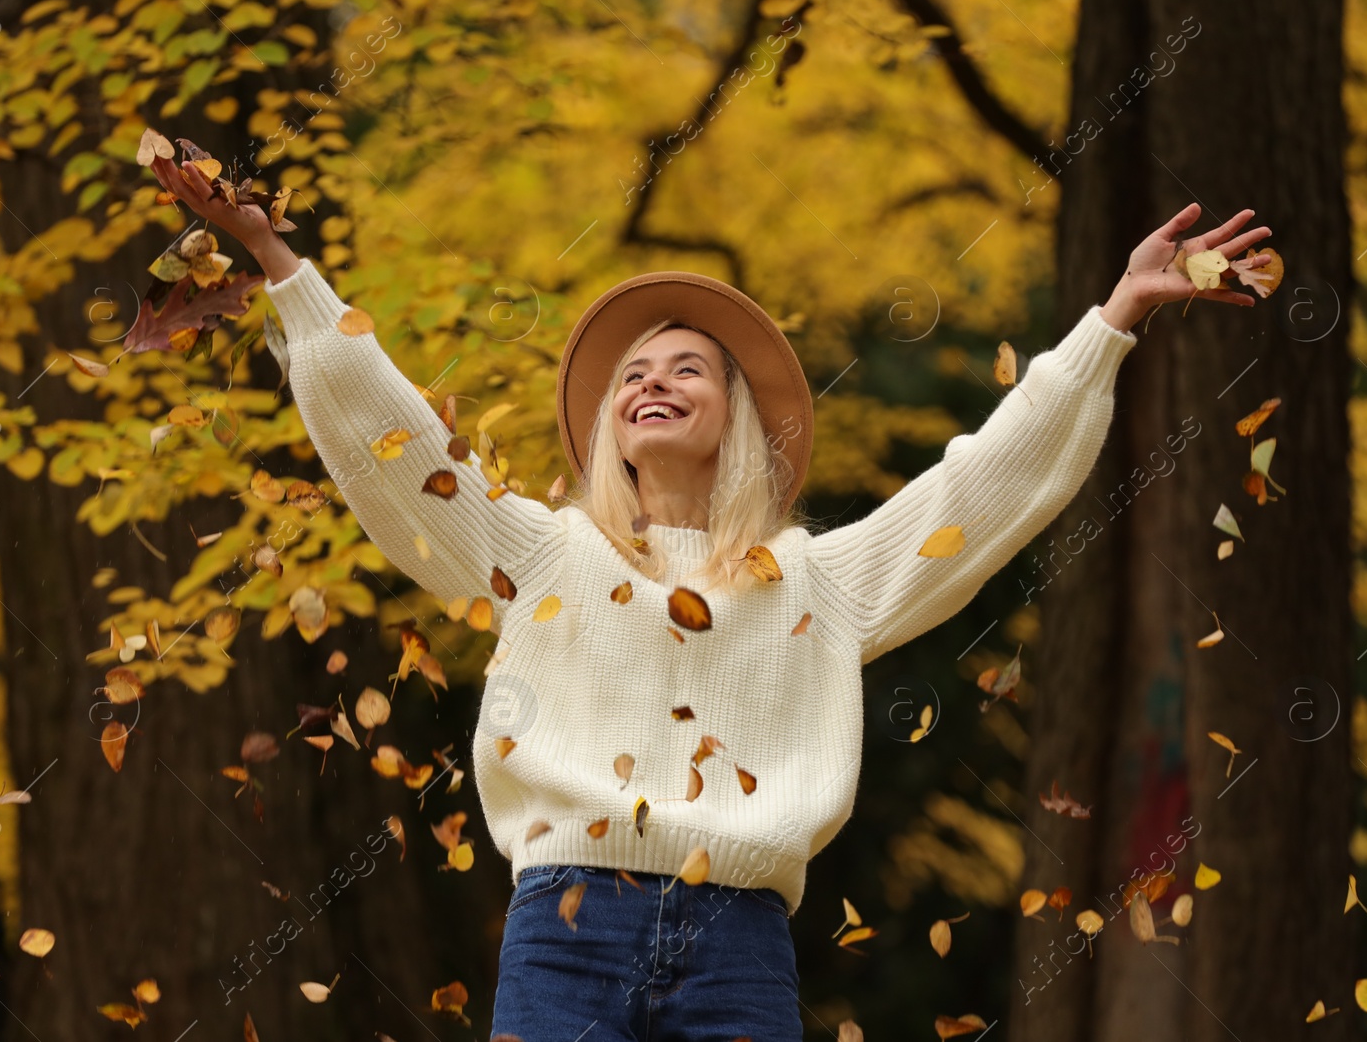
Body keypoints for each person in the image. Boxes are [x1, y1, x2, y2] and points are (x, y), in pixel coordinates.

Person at [150, 154, 1269, 1041]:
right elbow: (397, 448)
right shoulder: (542, 553)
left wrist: (1113, 315)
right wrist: (274, 257)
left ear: (734, 417)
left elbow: (978, 489)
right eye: (634, 372)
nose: (652, 381)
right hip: (565, 929)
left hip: (739, 940)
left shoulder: (815, 583)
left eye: (686, 367)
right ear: (608, 431)